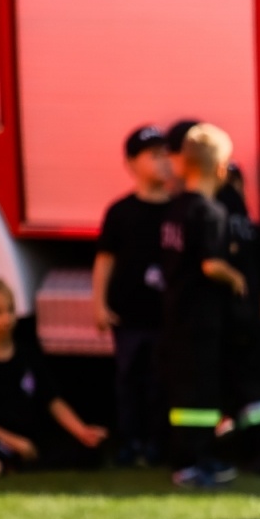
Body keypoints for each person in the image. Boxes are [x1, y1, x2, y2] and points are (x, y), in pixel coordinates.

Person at [161, 123, 246, 489]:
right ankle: (194, 462)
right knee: (199, 394)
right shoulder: (210, 212)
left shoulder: (174, 209)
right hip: (202, 318)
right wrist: (235, 277)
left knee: (187, 393)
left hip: (177, 313)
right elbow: (210, 264)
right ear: (220, 168)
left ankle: (191, 457)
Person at [93, 125, 172, 467]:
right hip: (128, 317)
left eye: (166, 154)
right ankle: (129, 442)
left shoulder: (180, 210)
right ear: (131, 163)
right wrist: (99, 304)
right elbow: (105, 260)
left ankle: (157, 443)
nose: (162, 162)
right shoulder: (120, 212)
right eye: (153, 156)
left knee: (160, 382)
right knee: (128, 379)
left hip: (166, 316)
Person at [0, 278, 107, 474]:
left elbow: (52, 400)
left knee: (88, 450)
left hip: (31, 438)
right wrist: (15, 442)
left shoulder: (27, 354)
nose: (6, 318)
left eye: (10, 310)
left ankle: (9, 466)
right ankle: (3, 464)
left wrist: (81, 431)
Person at [217, 163, 260, 472]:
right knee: (254, 392)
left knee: (246, 391)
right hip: (247, 325)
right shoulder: (253, 230)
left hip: (231, 326)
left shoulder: (212, 222)